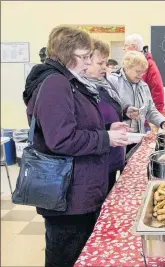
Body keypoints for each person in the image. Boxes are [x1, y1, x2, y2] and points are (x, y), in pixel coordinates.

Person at [23, 26, 132, 267]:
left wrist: (106, 131)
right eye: (84, 57)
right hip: (69, 196)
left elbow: (74, 127)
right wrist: (106, 139)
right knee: (67, 254)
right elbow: (61, 139)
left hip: (78, 190)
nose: (87, 63)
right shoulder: (55, 83)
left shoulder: (65, 80)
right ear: (66, 54)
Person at [80, 39, 130, 193]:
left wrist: (125, 111)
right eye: (100, 63)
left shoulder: (105, 84)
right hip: (95, 159)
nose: (105, 67)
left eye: (105, 63)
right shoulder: (80, 88)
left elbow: (110, 111)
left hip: (112, 153)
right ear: (86, 61)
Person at [108, 51, 165, 147]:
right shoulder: (113, 81)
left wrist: (162, 122)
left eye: (143, 72)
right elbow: (107, 111)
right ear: (126, 67)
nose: (140, 75)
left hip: (138, 138)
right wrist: (125, 111)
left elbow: (150, 110)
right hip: (119, 140)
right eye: (137, 71)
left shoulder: (143, 86)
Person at [124, 34, 164, 112]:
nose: (123, 48)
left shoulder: (149, 65)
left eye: (125, 45)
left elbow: (157, 91)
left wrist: (153, 119)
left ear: (133, 47)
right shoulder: (126, 65)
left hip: (142, 117)